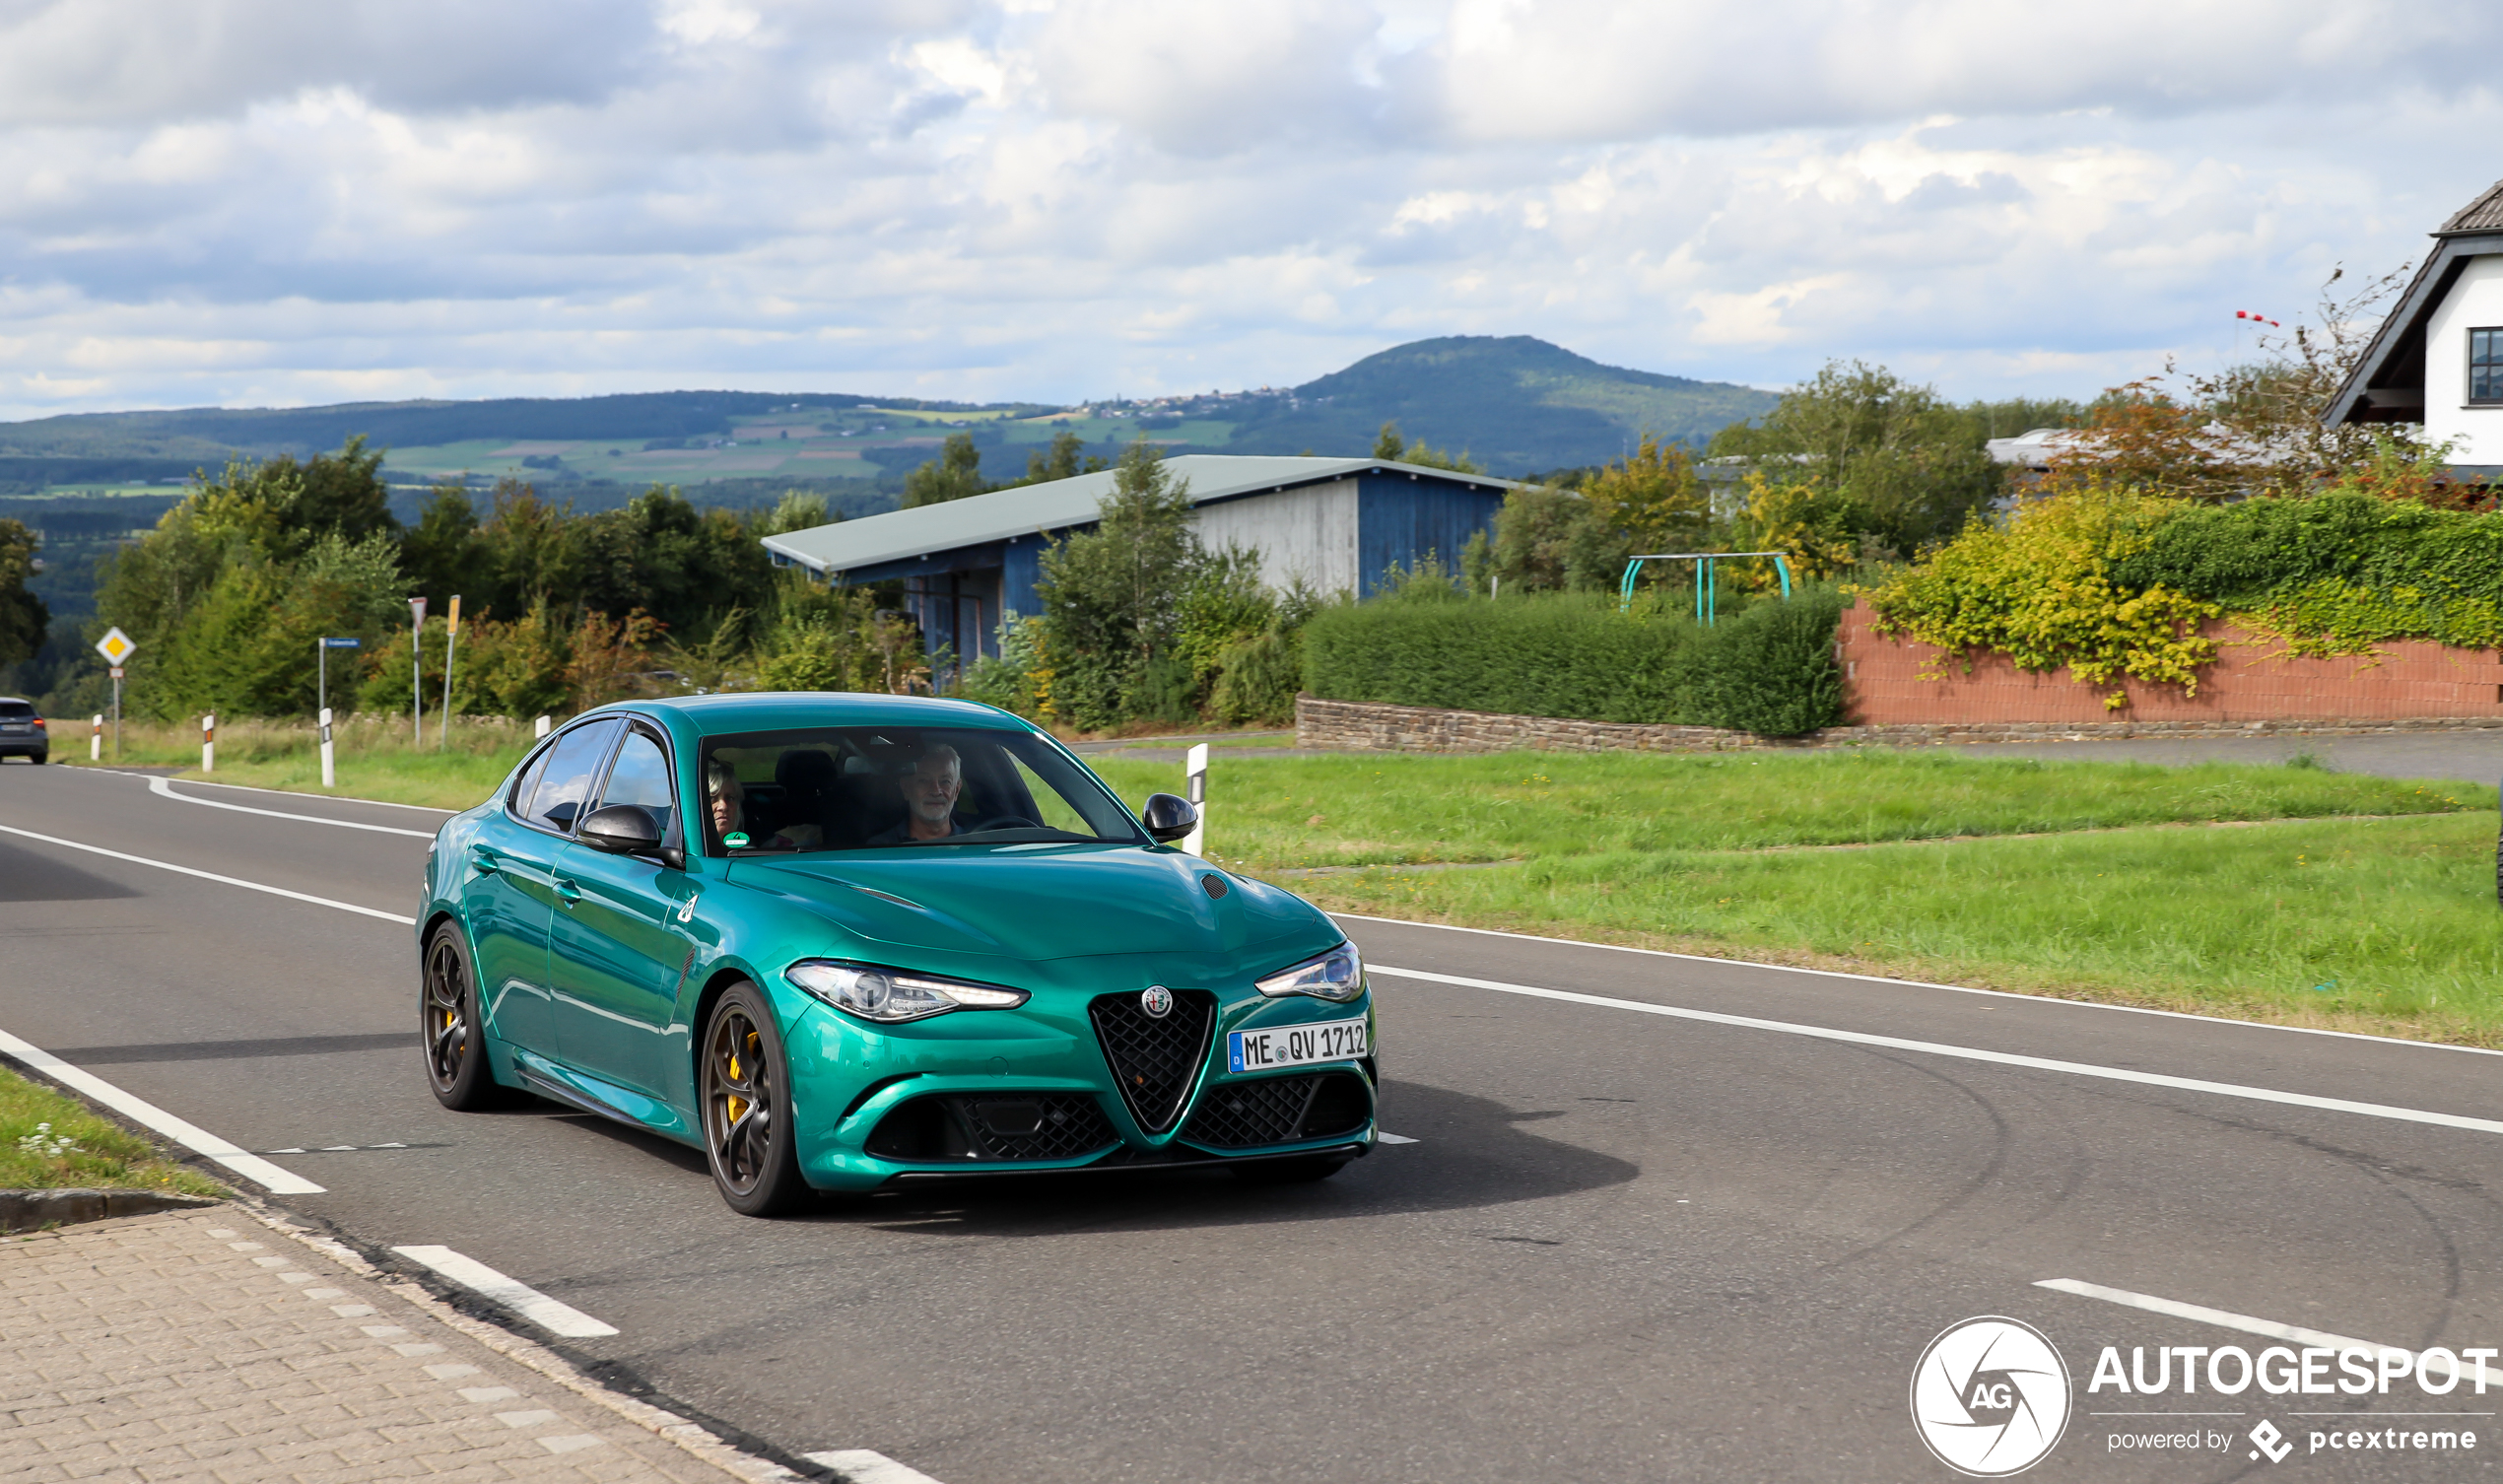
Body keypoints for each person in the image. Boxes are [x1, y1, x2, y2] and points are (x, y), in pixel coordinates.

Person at [707, 758, 823, 850]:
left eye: (730, 798)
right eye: (712, 797)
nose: (724, 806)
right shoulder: (689, 858)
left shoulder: (747, 854)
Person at [868, 744, 964, 844]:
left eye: (945, 781)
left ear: (956, 790)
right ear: (906, 788)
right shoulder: (879, 849)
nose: (936, 791)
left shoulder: (975, 845)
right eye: (924, 781)